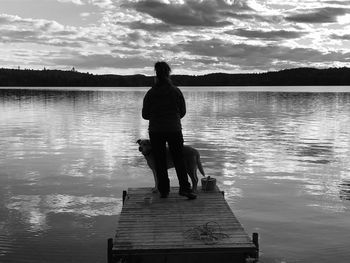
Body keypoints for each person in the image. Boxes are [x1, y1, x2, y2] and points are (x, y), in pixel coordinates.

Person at [142, 61, 197, 200]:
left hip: (156, 131)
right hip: (174, 129)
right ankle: (185, 189)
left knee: (160, 161)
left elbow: (145, 115)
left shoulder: (151, 92)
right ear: (168, 73)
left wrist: (157, 116)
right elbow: (183, 112)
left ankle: (164, 191)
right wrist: (173, 117)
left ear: (156, 74)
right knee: (179, 159)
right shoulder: (176, 91)